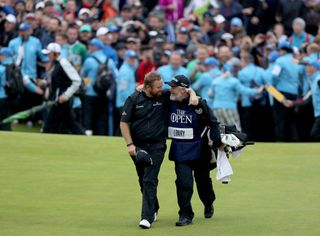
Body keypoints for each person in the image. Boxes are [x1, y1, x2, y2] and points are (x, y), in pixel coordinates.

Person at [120, 71, 197, 229]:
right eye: (158, 87)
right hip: (138, 146)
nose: (161, 89)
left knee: (150, 178)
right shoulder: (134, 98)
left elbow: (182, 90)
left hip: (157, 145)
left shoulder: (163, 96)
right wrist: (130, 145)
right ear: (147, 87)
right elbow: (124, 123)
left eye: (162, 86)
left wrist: (193, 93)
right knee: (142, 179)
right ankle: (153, 207)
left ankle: (146, 217)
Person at [165, 74, 223, 227]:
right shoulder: (168, 99)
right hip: (179, 150)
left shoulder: (199, 103)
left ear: (183, 90)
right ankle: (185, 214)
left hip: (200, 149)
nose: (170, 90)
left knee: (203, 182)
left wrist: (217, 142)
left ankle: (208, 202)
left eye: (173, 87)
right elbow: (150, 90)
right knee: (183, 183)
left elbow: (213, 122)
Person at [41, 43, 83, 134]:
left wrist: (65, 96)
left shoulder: (63, 63)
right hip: (58, 100)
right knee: (71, 124)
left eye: (49, 53)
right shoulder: (57, 63)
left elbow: (77, 81)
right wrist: (44, 83)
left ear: (55, 53)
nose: (48, 56)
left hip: (62, 100)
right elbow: (57, 81)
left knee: (49, 126)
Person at [305, 61, 320, 141]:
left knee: (315, 134)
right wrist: (293, 103)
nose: (306, 69)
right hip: (318, 114)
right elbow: (307, 99)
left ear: (314, 68)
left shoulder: (318, 79)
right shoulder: (313, 81)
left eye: (308, 66)